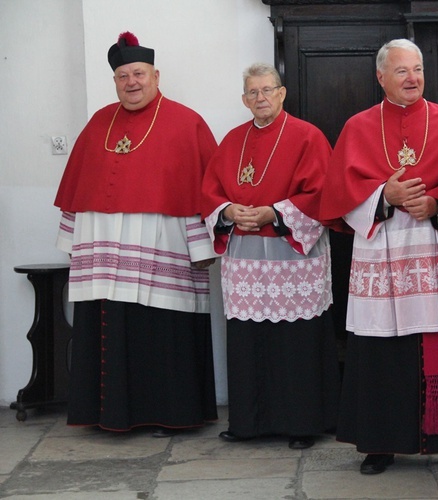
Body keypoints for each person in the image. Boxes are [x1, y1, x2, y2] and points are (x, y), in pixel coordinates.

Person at [319, 39, 438, 474]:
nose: (412, 78)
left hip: (436, 249)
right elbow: (337, 196)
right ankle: (379, 443)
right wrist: (383, 195)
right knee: (380, 350)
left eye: (418, 69)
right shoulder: (357, 126)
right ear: (380, 77)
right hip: (381, 252)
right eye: (402, 71)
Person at [54, 32, 219, 436]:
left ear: (156, 75)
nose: (132, 82)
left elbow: (206, 188)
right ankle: (106, 414)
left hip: (163, 247)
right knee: (108, 328)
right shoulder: (98, 123)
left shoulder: (186, 122)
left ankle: (169, 414)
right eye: (123, 76)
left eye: (139, 73)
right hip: (103, 252)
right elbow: (77, 189)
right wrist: (73, 239)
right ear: (115, 81)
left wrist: (202, 246)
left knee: (159, 331)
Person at [202, 63, 340, 450]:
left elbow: (321, 194)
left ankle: (302, 423)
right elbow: (209, 192)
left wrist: (275, 213)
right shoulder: (232, 141)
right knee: (249, 339)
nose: (260, 98)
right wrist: (228, 211)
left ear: (281, 93)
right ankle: (249, 422)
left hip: (291, 254)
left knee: (295, 341)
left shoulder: (307, 137)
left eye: (267, 90)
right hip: (245, 256)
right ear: (244, 99)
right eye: (252, 92)